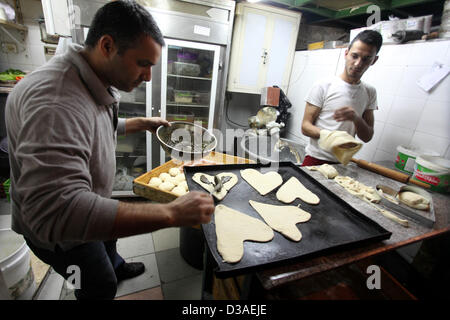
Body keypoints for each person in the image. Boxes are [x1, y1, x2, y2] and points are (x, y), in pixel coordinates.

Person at [5, 0, 214, 300]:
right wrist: (170, 213)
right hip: (63, 233)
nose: (149, 77)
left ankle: (115, 264)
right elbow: (57, 212)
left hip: (94, 194)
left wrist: (138, 123)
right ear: (107, 46)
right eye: (143, 63)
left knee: (108, 244)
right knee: (98, 284)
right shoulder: (55, 102)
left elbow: (89, 125)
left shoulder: (91, 78)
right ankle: (103, 278)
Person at [301, 30, 383, 166]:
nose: (358, 63)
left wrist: (356, 118)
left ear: (374, 60)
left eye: (366, 58)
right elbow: (305, 127)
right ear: (346, 53)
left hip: (343, 164)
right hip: (315, 160)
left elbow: (367, 136)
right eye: (354, 56)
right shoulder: (323, 85)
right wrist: (334, 137)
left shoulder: (370, 92)